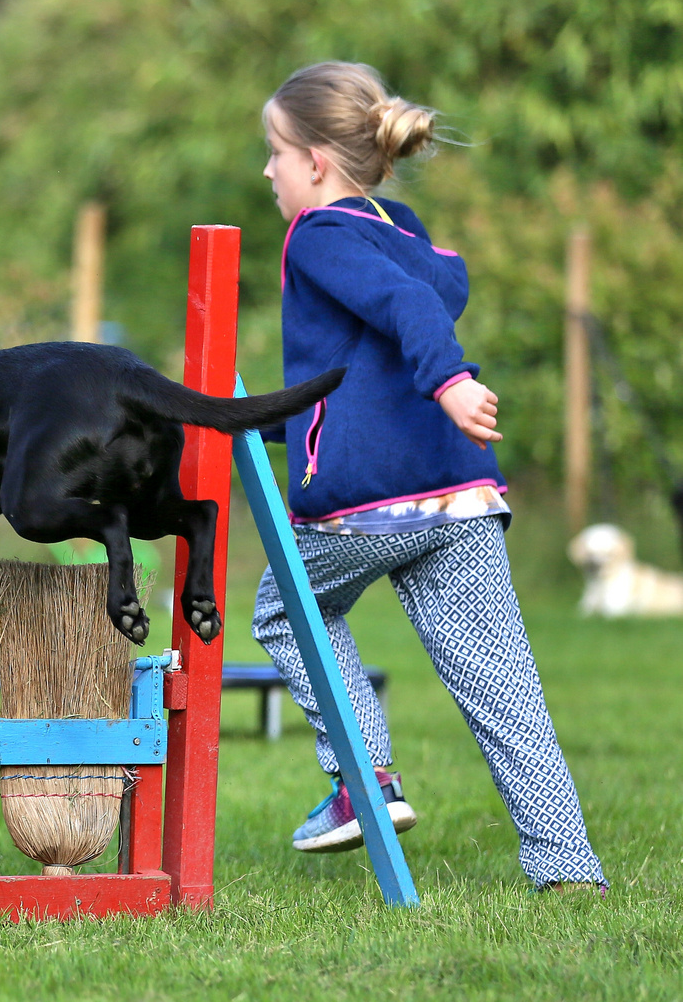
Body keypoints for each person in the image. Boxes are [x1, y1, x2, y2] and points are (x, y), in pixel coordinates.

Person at [253, 61, 606, 892]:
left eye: (273, 151)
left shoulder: (321, 235)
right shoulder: (402, 230)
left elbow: (409, 314)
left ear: (315, 162)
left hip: (368, 502)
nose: (266, 170)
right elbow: (363, 366)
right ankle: (565, 866)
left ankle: (363, 779)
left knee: (285, 608)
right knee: (501, 680)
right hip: (459, 496)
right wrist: (244, 421)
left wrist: (446, 382)